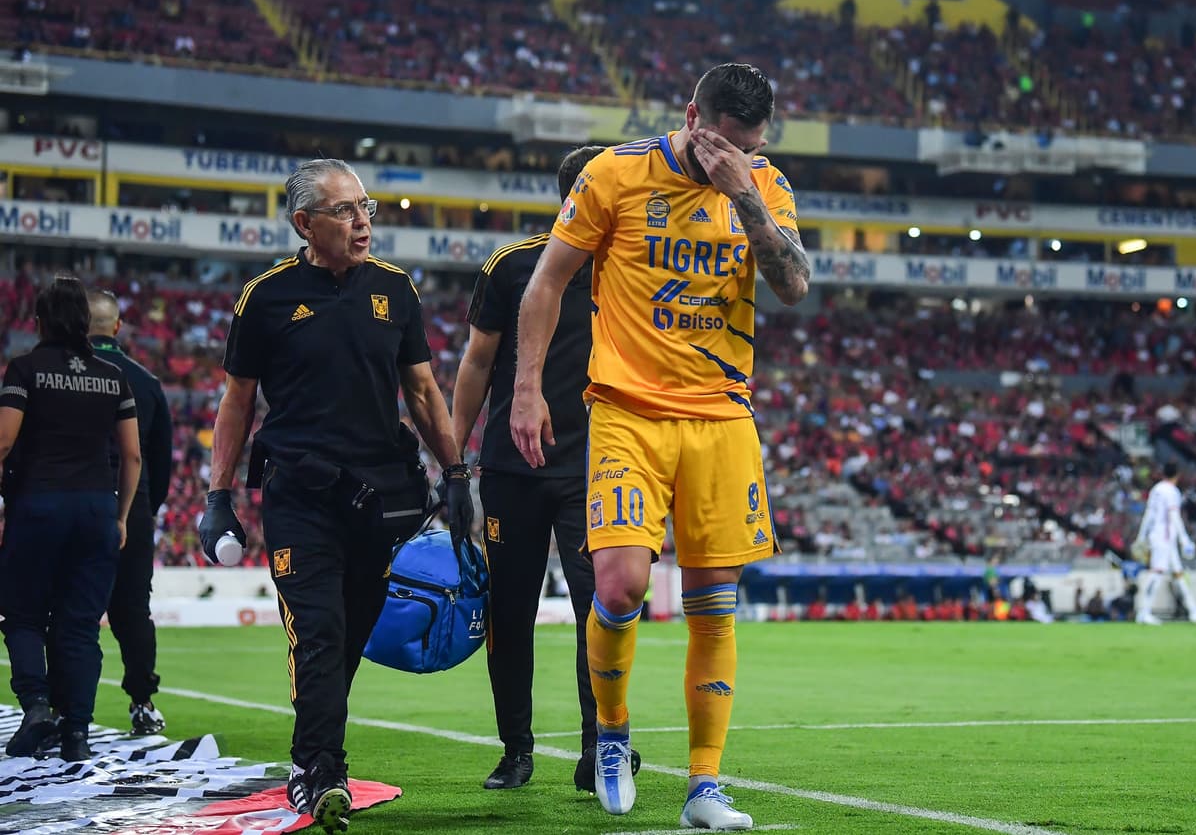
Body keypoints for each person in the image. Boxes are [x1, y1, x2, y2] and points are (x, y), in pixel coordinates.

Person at [510, 63, 810, 829]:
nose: (737, 156)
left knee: (715, 606)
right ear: (691, 116)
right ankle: (611, 731)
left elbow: (795, 285)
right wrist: (527, 386)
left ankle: (705, 785)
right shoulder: (617, 173)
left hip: (721, 416)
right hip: (626, 411)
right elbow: (546, 281)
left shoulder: (764, 185)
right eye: (726, 143)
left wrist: (742, 189)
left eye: (753, 144)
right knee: (618, 588)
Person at [200, 158, 472, 835]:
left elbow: (422, 391)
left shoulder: (395, 290)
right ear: (304, 223)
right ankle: (319, 768)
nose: (363, 221)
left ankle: (315, 755)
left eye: (366, 207)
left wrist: (458, 474)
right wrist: (218, 493)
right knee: (319, 630)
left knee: (348, 633)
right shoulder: (263, 297)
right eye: (346, 211)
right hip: (299, 494)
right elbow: (237, 402)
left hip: (382, 497)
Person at [452, 145, 611, 792]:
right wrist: (450, 461)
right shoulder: (513, 265)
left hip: (597, 470)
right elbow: (476, 363)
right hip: (513, 466)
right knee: (509, 612)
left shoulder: (630, 267)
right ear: (581, 193)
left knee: (599, 613)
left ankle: (599, 747)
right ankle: (516, 748)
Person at [0, 276, 141, 761]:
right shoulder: (113, 375)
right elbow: (133, 457)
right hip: (97, 507)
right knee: (80, 624)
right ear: (86, 323)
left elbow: (2, 441)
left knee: (21, 614)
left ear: (38, 321)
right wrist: (120, 516)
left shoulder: (24, 369)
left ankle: (37, 706)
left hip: (38, 505)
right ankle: (76, 733)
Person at [88, 288, 173, 736]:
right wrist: (145, 508)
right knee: (133, 612)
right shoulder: (146, 381)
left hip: (70, 500)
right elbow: (161, 459)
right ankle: (142, 701)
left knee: (69, 611)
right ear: (117, 327)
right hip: (132, 506)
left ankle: (63, 708)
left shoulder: (56, 372)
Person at [1133, 462, 1196, 625]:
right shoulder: (1172, 491)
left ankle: (1194, 611)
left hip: (1158, 535)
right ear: (1177, 475)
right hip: (1165, 537)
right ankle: (1144, 612)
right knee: (1157, 572)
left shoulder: (1156, 489)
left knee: (1178, 573)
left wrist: (1141, 536)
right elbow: (1174, 515)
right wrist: (1185, 539)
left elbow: (1149, 514)